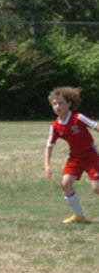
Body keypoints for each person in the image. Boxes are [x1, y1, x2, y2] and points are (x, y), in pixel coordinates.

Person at [44, 86, 99, 223]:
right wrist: (47, 166)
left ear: (69, 104)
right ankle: (79, 216)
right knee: (65, 184)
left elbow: (96, 126)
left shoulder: (78, 117)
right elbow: (49, 147)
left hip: (90, 155)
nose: (57, 106)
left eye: (60, 103)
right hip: (75, 157)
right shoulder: (55, 126)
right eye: (54, 104)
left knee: (96, 188)